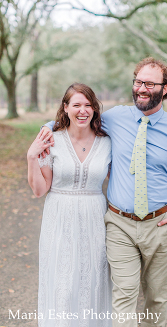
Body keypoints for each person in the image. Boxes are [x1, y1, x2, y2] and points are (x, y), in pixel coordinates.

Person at [39, 57, 167, 327]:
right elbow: (78, 116)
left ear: (165, 89)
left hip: (160, 225)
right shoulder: (115, 118)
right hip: (119, 224)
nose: (141, 88)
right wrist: (47, 129)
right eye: (138, 81)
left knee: (157, 300)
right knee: (124, 297)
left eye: (149, 84)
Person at [27, 83, 113, 326]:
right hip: (60, 217)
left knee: (92, 281)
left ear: (95, 110)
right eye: (76, 105)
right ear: (65, 108)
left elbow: (124, 176)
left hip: (95, 219)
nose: (82, 111)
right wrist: (32, 157)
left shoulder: (107, 142)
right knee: (63, 283)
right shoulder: (51, 139)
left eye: (88, 105)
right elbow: (40, 189)